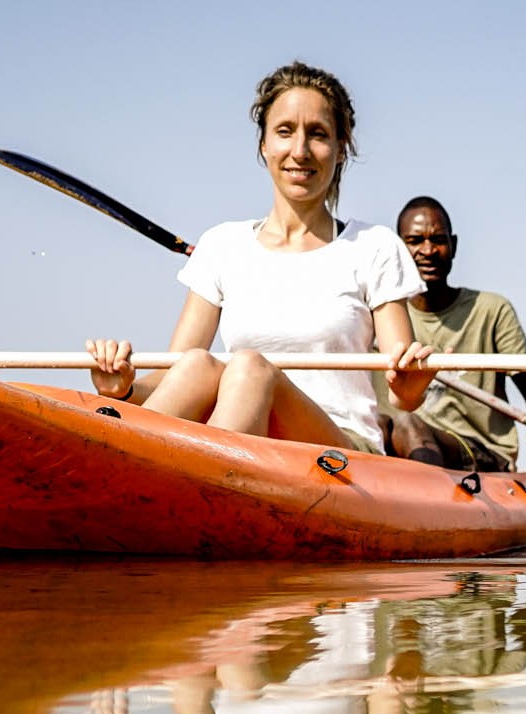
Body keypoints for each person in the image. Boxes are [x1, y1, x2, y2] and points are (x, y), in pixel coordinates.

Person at [86, 62, 435, 455]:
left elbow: (403, 389)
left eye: (317, 134)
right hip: (245, 441)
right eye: (285, 131)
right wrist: (124, 388)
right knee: (198, 364)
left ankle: (174, 470)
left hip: (342, 454)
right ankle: (118, 462)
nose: (300, 151)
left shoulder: (374, 246)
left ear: (341, 148)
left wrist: (409, 391)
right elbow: (172, 374)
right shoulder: (221, 244)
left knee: (249, 367)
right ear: (264, 145)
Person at [380, 197, 526, 471]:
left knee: (409, 424)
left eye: (438, 240)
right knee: (376, 425)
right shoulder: (380, 314)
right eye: (414, 241)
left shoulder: (492, 310)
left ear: (454, 245)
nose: (428, 250)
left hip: (481, 451)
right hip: (395, 448)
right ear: (398, 249)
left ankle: (431, 493)